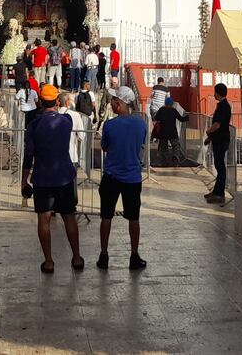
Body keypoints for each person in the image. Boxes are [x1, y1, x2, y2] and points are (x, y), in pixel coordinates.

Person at [20, 84, 83, 273]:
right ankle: (77, 257)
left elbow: (29, 155)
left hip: (42, 176)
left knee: (44, 219)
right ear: (56, 101)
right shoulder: (66, 121)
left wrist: (24, 180)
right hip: (64, 175)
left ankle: (48, 261)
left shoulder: (34, 126)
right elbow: (65, 111)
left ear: (39, 101)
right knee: (69, 217)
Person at [97, 86, 147, 271]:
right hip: (133, 177)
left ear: (119, 104)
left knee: (106, 216)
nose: (110, 103)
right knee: (134, 218)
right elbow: (140, 145)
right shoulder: (141, 124)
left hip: (111, 176)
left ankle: (104, 254)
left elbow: (105, 147)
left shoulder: (109, 125)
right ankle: (134, 255)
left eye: (113, 101)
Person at [204, 83, 232, 204]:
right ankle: (216, 191)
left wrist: (208, 131)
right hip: (218, 139)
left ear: (218, 93)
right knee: (218, 165)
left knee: (220, 167)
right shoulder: (222, 105)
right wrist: (210, 138)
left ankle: (220, 193)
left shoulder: (223, 107)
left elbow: (217, 124)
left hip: (221, 140)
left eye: (215, 92)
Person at [58, 91, 88, 178]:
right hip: (71, 155)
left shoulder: (53, 114)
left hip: (55, 157)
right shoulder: (75, 115)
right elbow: (82, 136)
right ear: (67, 102)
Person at [154, 95, 189, 166]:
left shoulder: (161, 110)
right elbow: (181, 119)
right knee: (176, 145)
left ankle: (164, 161)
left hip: (163, 132)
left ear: (165, 103)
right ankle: (175, 157)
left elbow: (156, 118)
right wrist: (188, 117)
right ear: (172, 104)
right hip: (172, 132)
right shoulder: (174, 110)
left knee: (163, 147)